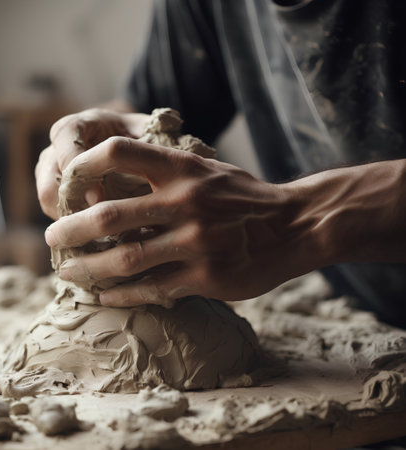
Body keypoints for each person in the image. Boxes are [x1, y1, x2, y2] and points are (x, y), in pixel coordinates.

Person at [35, 0, 406, 328]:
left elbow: (289, 222)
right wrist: (93, 150)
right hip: (354, 310)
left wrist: (297, 221)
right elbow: (150, 119)